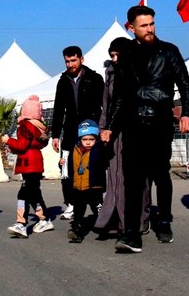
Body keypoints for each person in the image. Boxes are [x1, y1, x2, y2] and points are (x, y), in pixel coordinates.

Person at [103, 5, 189, 252]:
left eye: (152, 24)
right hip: (133, 126)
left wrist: (187, 113)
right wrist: (110, 127)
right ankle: (132, 233)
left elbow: (185, 84)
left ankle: (163, 220)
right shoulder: (126, 55)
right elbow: (120, 96)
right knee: (132, 180)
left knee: (160, 175)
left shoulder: (168, 51)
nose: (150, 29)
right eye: (144, 26)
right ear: (130, 28)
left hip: (160, 123)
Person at [94, 37, 146, 238]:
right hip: (113, 133)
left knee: (131, 179)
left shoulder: (137, 71)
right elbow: (107, 105)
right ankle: (112, 220)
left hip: (133, 130)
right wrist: (103, 128)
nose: (115, 59)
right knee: (114, 177)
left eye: (117, 55)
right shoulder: (110, 74)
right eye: (112, 55)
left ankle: (133, 222)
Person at [51, 46, 105, 221]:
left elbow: (104, 105)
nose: (70, 64)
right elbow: (58, 109)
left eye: (73, 60)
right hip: (70, 132)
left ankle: (97, 202)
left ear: (82, 59)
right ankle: (71, 203)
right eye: (67, 61)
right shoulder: (63, 80)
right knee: (66, 168)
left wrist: (102, 128)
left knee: (94, 166)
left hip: (91, 130)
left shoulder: (95, 79)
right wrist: (55, 135)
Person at [1, 96, 53, 238]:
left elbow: (22, 145)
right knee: (33, 192)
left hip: (28, 163)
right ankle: (43, 218)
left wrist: (8, 140)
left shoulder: (25, 126)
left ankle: (22, 223)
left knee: (25, 193)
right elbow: (34, 145)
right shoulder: (40, 127)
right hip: (36, 161)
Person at [66, 120, 107, 243]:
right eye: (85, 139)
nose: (88, 142)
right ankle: (77, 231)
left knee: (98, 208)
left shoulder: (98, 150)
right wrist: (61, 164)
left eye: (91, 139)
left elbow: (105, 161)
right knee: (79, 210)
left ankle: (104, 227)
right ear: (80, 139)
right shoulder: (75, 150)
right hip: (78, 187)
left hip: (94, 186)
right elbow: (70, 167)